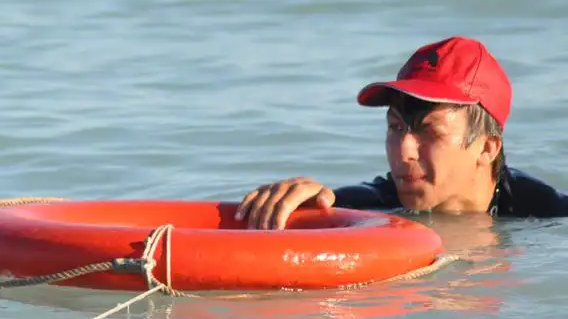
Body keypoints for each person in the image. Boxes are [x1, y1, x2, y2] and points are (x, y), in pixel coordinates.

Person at [235, 36, 568, 230]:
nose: (404, 151)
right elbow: (348, 202)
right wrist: (313, 203)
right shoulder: (383, 201)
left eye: (429, 132)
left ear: (487, 149)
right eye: (395, 127)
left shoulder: (547, 212)